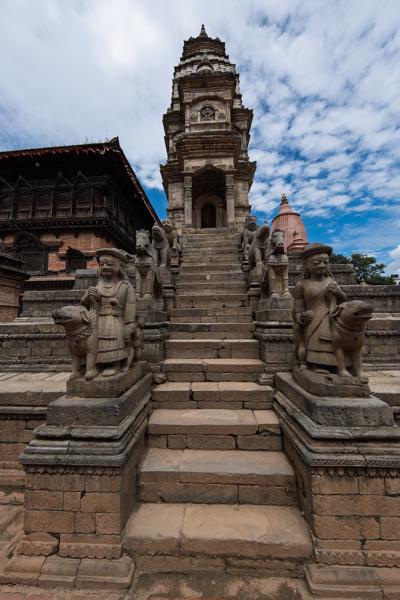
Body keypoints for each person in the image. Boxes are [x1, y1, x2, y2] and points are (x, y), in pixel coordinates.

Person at [80, 248, 136, 377]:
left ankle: (114, 363)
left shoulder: (126, 286)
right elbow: (84, 305)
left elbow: (131, 306)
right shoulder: (98, 285)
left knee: (113, 335)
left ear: (120, 267)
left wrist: (129, 324)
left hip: (116, 319)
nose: (105, 267)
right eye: (102, 264)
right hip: (97, 319)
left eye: (110, 264)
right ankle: (93, 365)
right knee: (93, 341)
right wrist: (87, 297)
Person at [293, 243, 347, 371]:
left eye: (325, 262)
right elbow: (297, 309)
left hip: (332, 317)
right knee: (317, 336)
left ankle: (340, 365)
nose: (322, 265)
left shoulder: (332, 282)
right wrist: (302, 316)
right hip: (313, 320)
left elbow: (343, 301)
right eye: (316, 263)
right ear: (306, 265)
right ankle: (316, 363)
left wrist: (339, 293)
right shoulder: (302, 285)